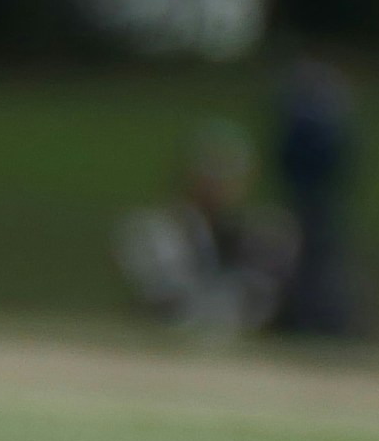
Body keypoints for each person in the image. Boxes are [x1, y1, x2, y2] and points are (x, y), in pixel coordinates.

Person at [118, 120, 285, 336]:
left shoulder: (252, 234)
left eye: (230, 174)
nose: (220, 186)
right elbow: (168, 302)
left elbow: (262, 301)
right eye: (213, 172)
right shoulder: (151, 229)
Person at [267, 56, 361, 340]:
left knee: (317, 261)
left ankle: (321, 320)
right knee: (312, 260)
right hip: (314, 198)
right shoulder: (325, 117)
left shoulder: (305, 116)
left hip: (314, 198)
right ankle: (314, 320)